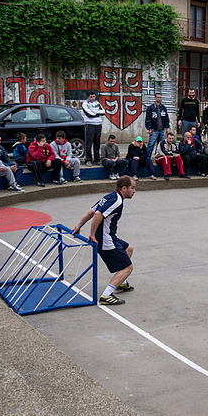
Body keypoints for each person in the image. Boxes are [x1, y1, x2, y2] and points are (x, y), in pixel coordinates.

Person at [73, 175, 136, 306]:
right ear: (124, 188)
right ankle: (106, 295)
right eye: (132, 188)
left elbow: (90, 212)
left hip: (109, 236)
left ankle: (121, 283)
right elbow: (97, 214)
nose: (134, 191)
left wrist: (79, 226)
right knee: (127, 267)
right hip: (105, 239)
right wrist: (92, 235)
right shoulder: (116, 201)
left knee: (128, 248)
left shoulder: (110, 196)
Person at [82, 91, 105, 166]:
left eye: (94, 97)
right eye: (91, 97)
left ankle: (97, 159)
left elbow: (103, 112)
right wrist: (97, 113)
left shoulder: (97, 103)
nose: (92, 98)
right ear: (88, 97)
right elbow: (89, 114)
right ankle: (88, 159)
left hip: (98, 124)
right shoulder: (85, 104)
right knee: (89, 143)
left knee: (97, 143)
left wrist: (95, 112)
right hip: (90, 125)